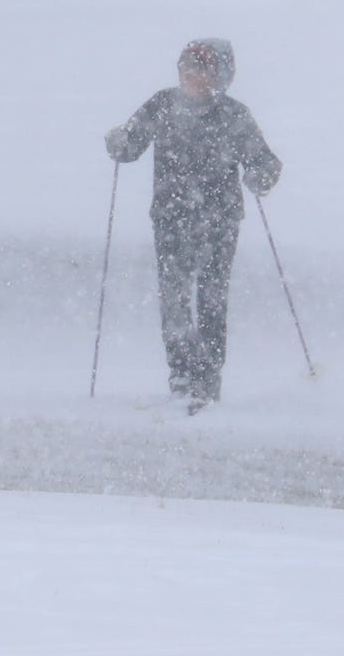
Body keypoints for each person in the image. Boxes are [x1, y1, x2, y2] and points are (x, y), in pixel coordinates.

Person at [105, 38, 282, 412]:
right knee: (174, 297)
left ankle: (207, 378)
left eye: (201, 68)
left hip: (219, 221)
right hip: (170, 218)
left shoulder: (234, 115)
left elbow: (265, 161)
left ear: (220, 77)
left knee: (212, 299)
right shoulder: (161, 105)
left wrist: (260, 176)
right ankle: (181, 374)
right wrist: (119, 142)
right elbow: (131, 144)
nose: (191, 74)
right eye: (186, 66)